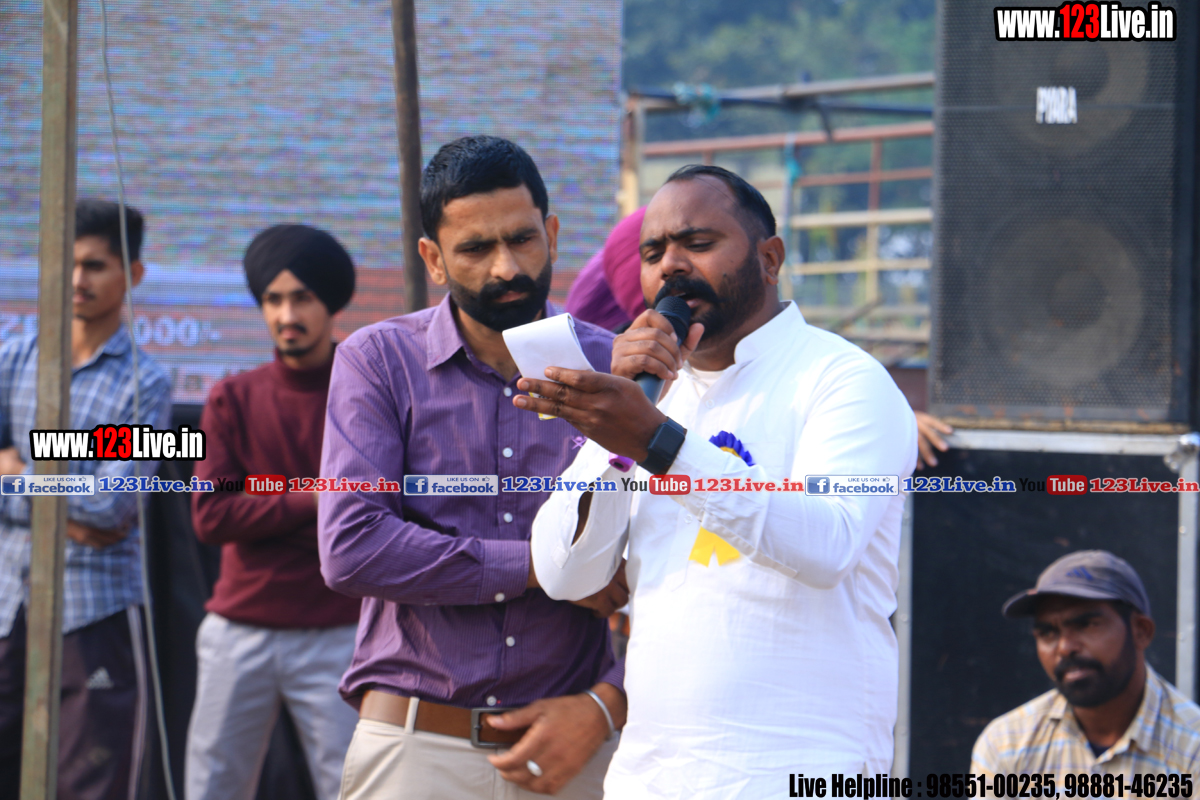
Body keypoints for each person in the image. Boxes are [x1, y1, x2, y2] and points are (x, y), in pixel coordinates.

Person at [522, 164, 918, 796]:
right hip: (651, 777)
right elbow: (565, 573)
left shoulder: (844, 380)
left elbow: (827, 544)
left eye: (698, 243)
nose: (671, 267)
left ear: (769, 258)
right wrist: (612, 437)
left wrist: (657, 443)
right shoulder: (652, 398)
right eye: (653, 253)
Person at [318, 135, 628, 800]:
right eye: (476, 248)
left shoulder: (612, 370)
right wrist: (546, 566)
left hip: (575, 748)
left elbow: (677, 570)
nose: (506, 267)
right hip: (416, 749)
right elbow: (352, 547)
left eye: (522, 239)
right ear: (433, 259)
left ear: (551, 234)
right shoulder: (378, 363)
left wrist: (609, 704)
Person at [0, 199, 172, 798]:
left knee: (90, 784)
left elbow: (110, 507)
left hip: (94, 610)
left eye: (95, 265)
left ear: (133, 274)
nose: (77, 279)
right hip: (7, 601)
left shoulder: (145, 382)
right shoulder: (13, 358)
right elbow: (90, 503)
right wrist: (68, 513)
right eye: (67, 263)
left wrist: (16, 471)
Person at [186, 225, 361, 800]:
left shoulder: (365, 391)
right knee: (212, 785)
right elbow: (212, 516)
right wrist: (315, 497)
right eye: (273, 299)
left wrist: (265, 507)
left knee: (353, 786)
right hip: (239, 628)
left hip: (340, 631)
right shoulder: (232, 397)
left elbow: (375, 508)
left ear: (329, 302)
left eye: (302, 298)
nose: (287, 314)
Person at [970, 550, 1200, 777]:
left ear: (1141, 631)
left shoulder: (1192, 746)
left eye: (1087, 625)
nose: (1065, 647)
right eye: (1048, 632)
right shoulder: (1006, 744)